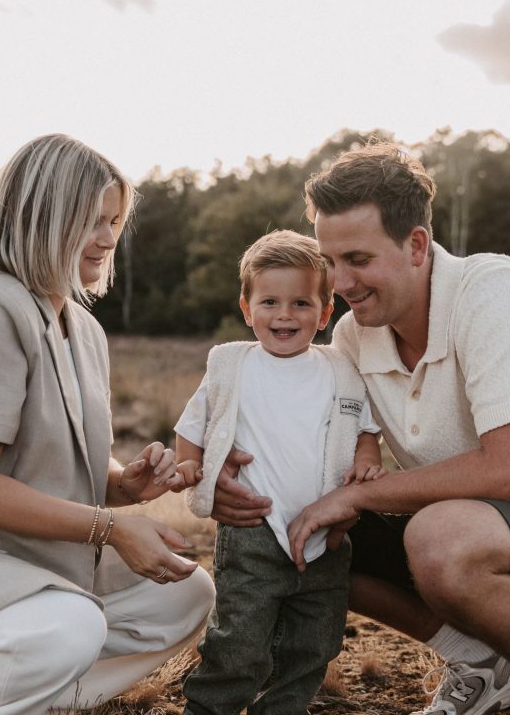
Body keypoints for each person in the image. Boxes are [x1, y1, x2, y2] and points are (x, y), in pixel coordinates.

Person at [213, 142, 510, 715]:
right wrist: (227, 459)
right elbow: (313, 440)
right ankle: (484, 664)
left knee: (438, 537)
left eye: (358, 259)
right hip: (490, 539)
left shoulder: (496, 293)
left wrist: (357, 496)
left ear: (417, 245)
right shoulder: (354, 335)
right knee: (305, 530)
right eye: (329, 261)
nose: (340, 281)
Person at [0, 134, 215, 714]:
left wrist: (123, 485)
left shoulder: (85, 329)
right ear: (41, 217)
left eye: (114, 221)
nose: (108, 238)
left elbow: (58, 458)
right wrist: (113, 528)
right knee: (68, 627)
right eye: (92, 220)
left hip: (28, 559)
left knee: (183, 596)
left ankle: (22, 700)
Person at [174, 230, 383, 714]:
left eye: (301, 303)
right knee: (239, 642)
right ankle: (210, 707)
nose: (284, 315)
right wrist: (191, 469)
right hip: (254, 532)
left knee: (314, 642)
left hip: (325, 538)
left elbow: (365, 432)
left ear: (325, 312)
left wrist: (366, 463)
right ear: (247, 309)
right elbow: (192, 429)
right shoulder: (232, 367)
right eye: (269, 302)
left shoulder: (339, 370)